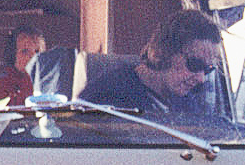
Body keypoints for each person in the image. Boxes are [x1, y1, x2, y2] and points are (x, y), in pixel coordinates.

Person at [80, 9, 221, 116]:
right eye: (195, 65)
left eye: (208, 69)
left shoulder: (187, 103)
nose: (201, 79)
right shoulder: (106, 98)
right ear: (161, 52)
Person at [0, 25, 44, 104]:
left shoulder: (51, 83)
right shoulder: (4, 85)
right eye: (25, 52)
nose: (33, 57)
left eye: (37, 52)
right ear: (12, 56)